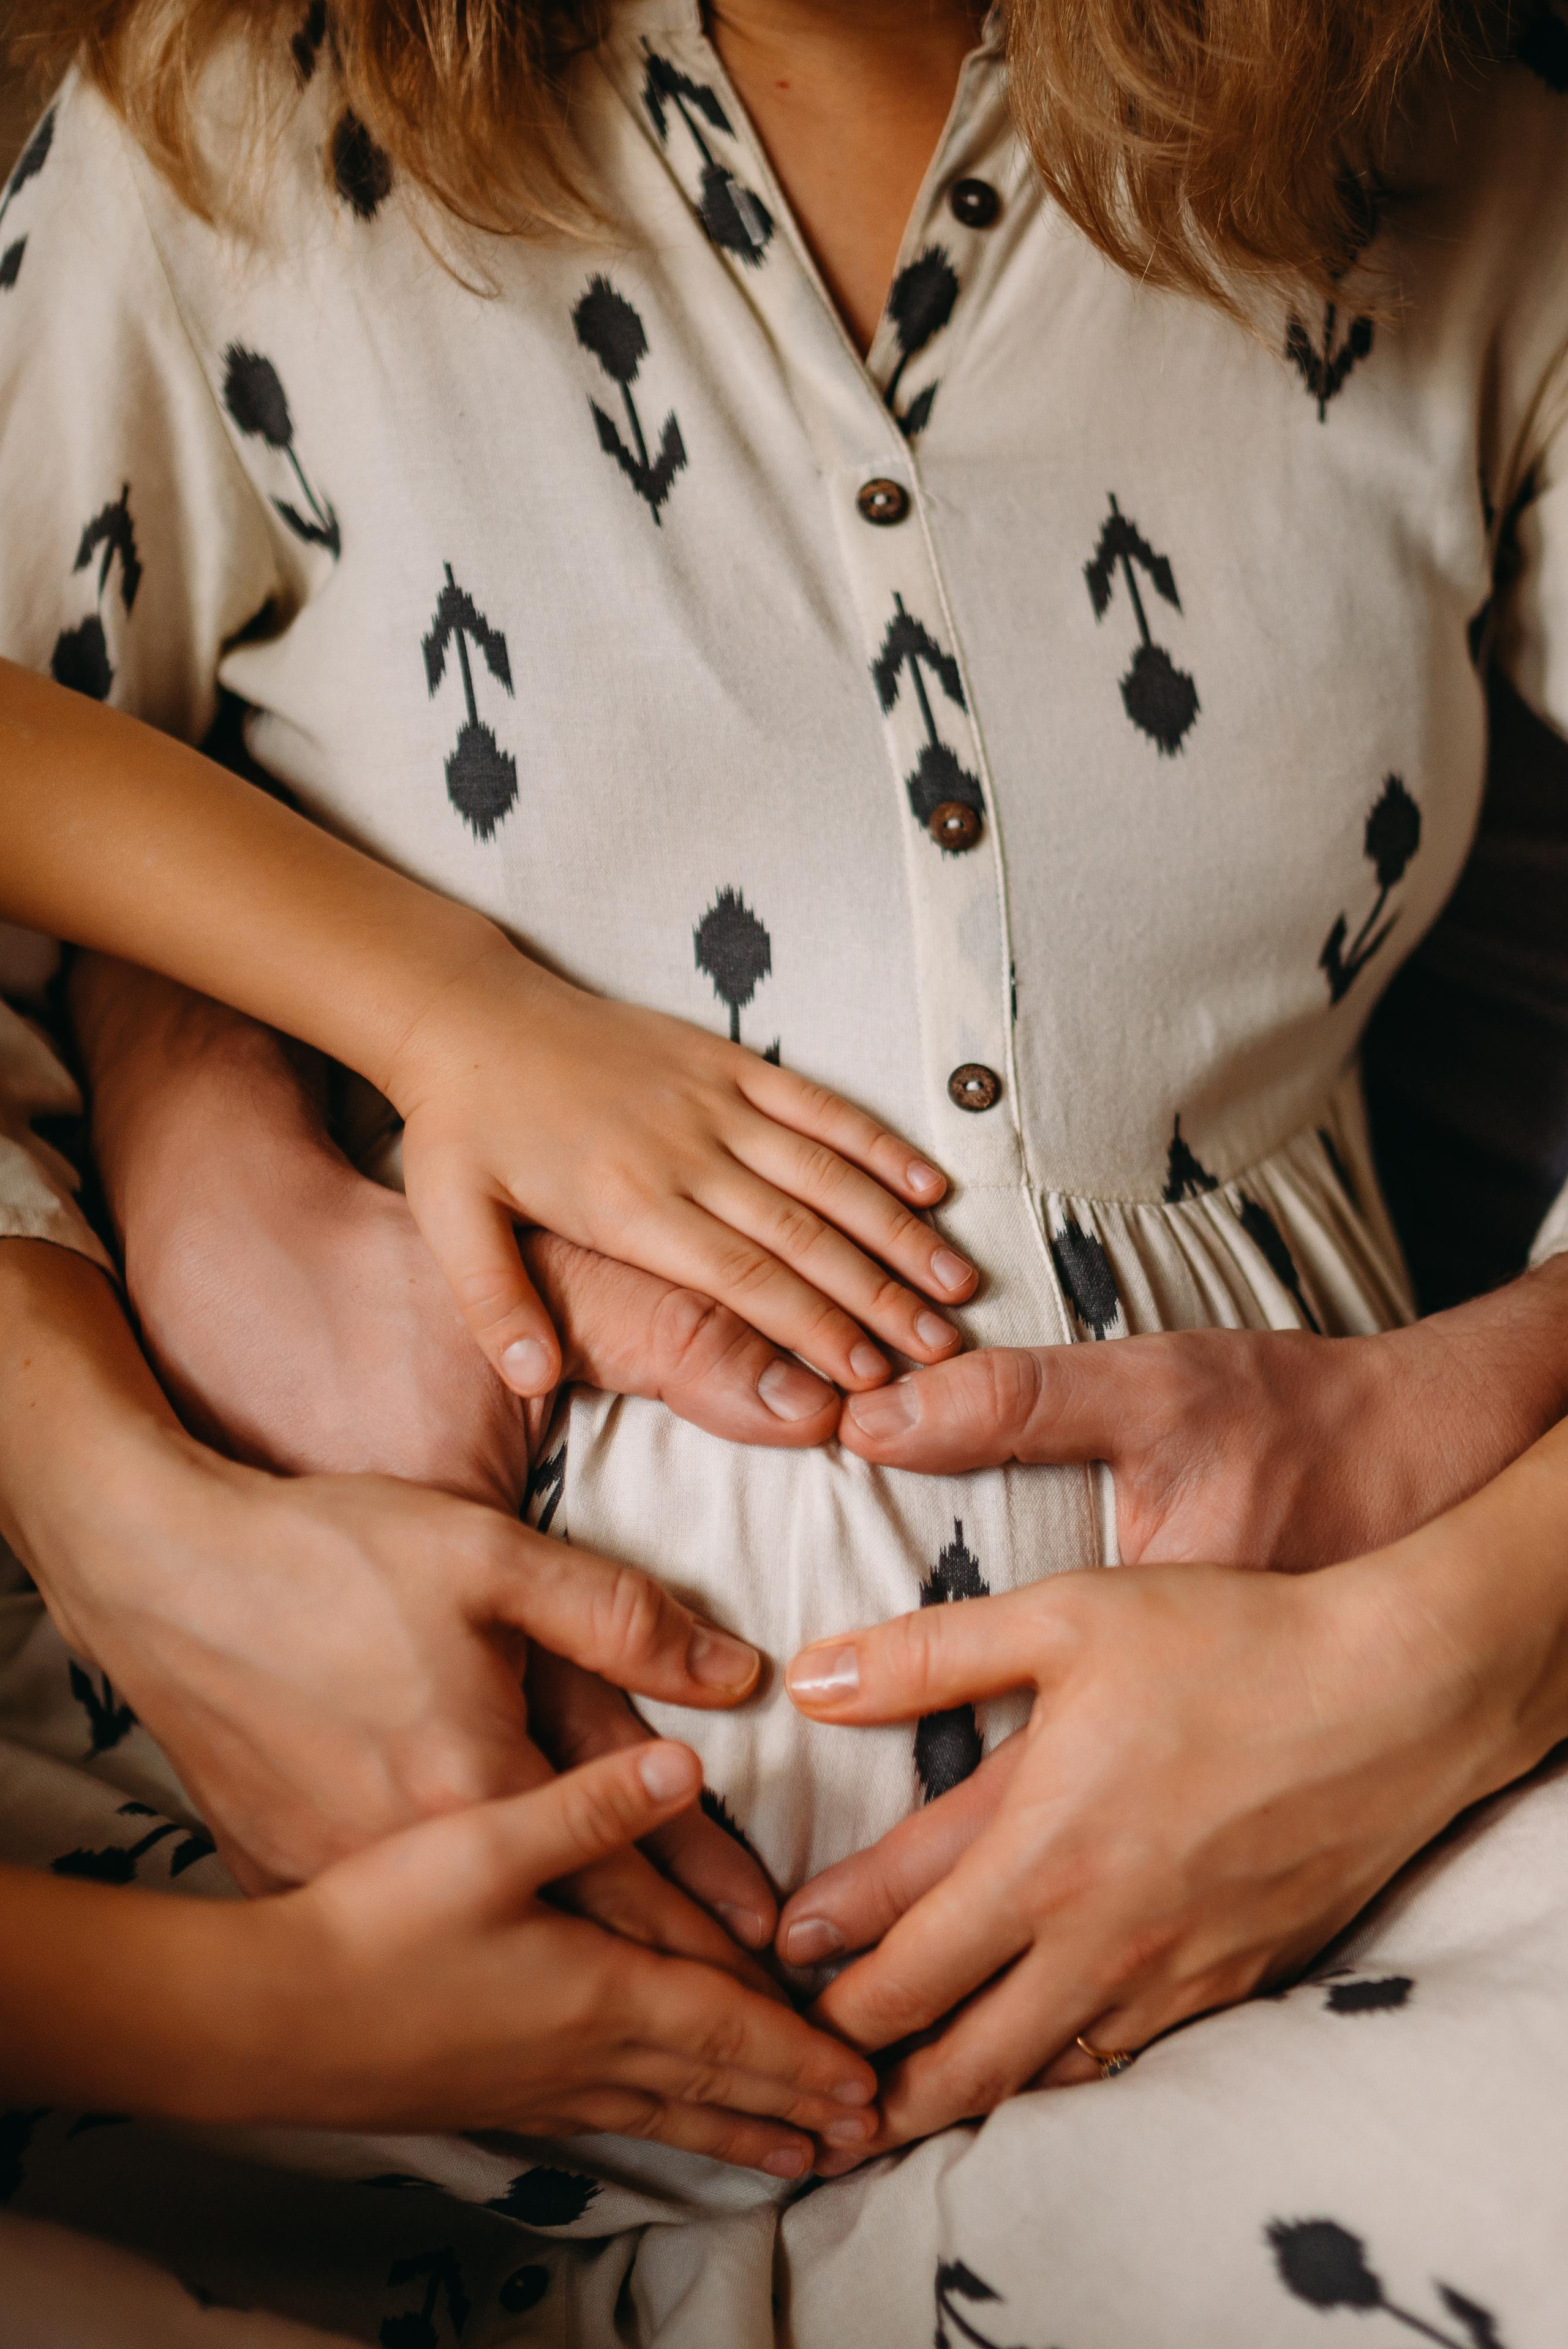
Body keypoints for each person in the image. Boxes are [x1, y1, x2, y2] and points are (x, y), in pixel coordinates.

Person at [2, 0, 1568, 2338]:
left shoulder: (1469, 183)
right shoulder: (226, 142)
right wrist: (128, 1515)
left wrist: (1440, 1642)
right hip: (271, 1998)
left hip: (1329, 1955)